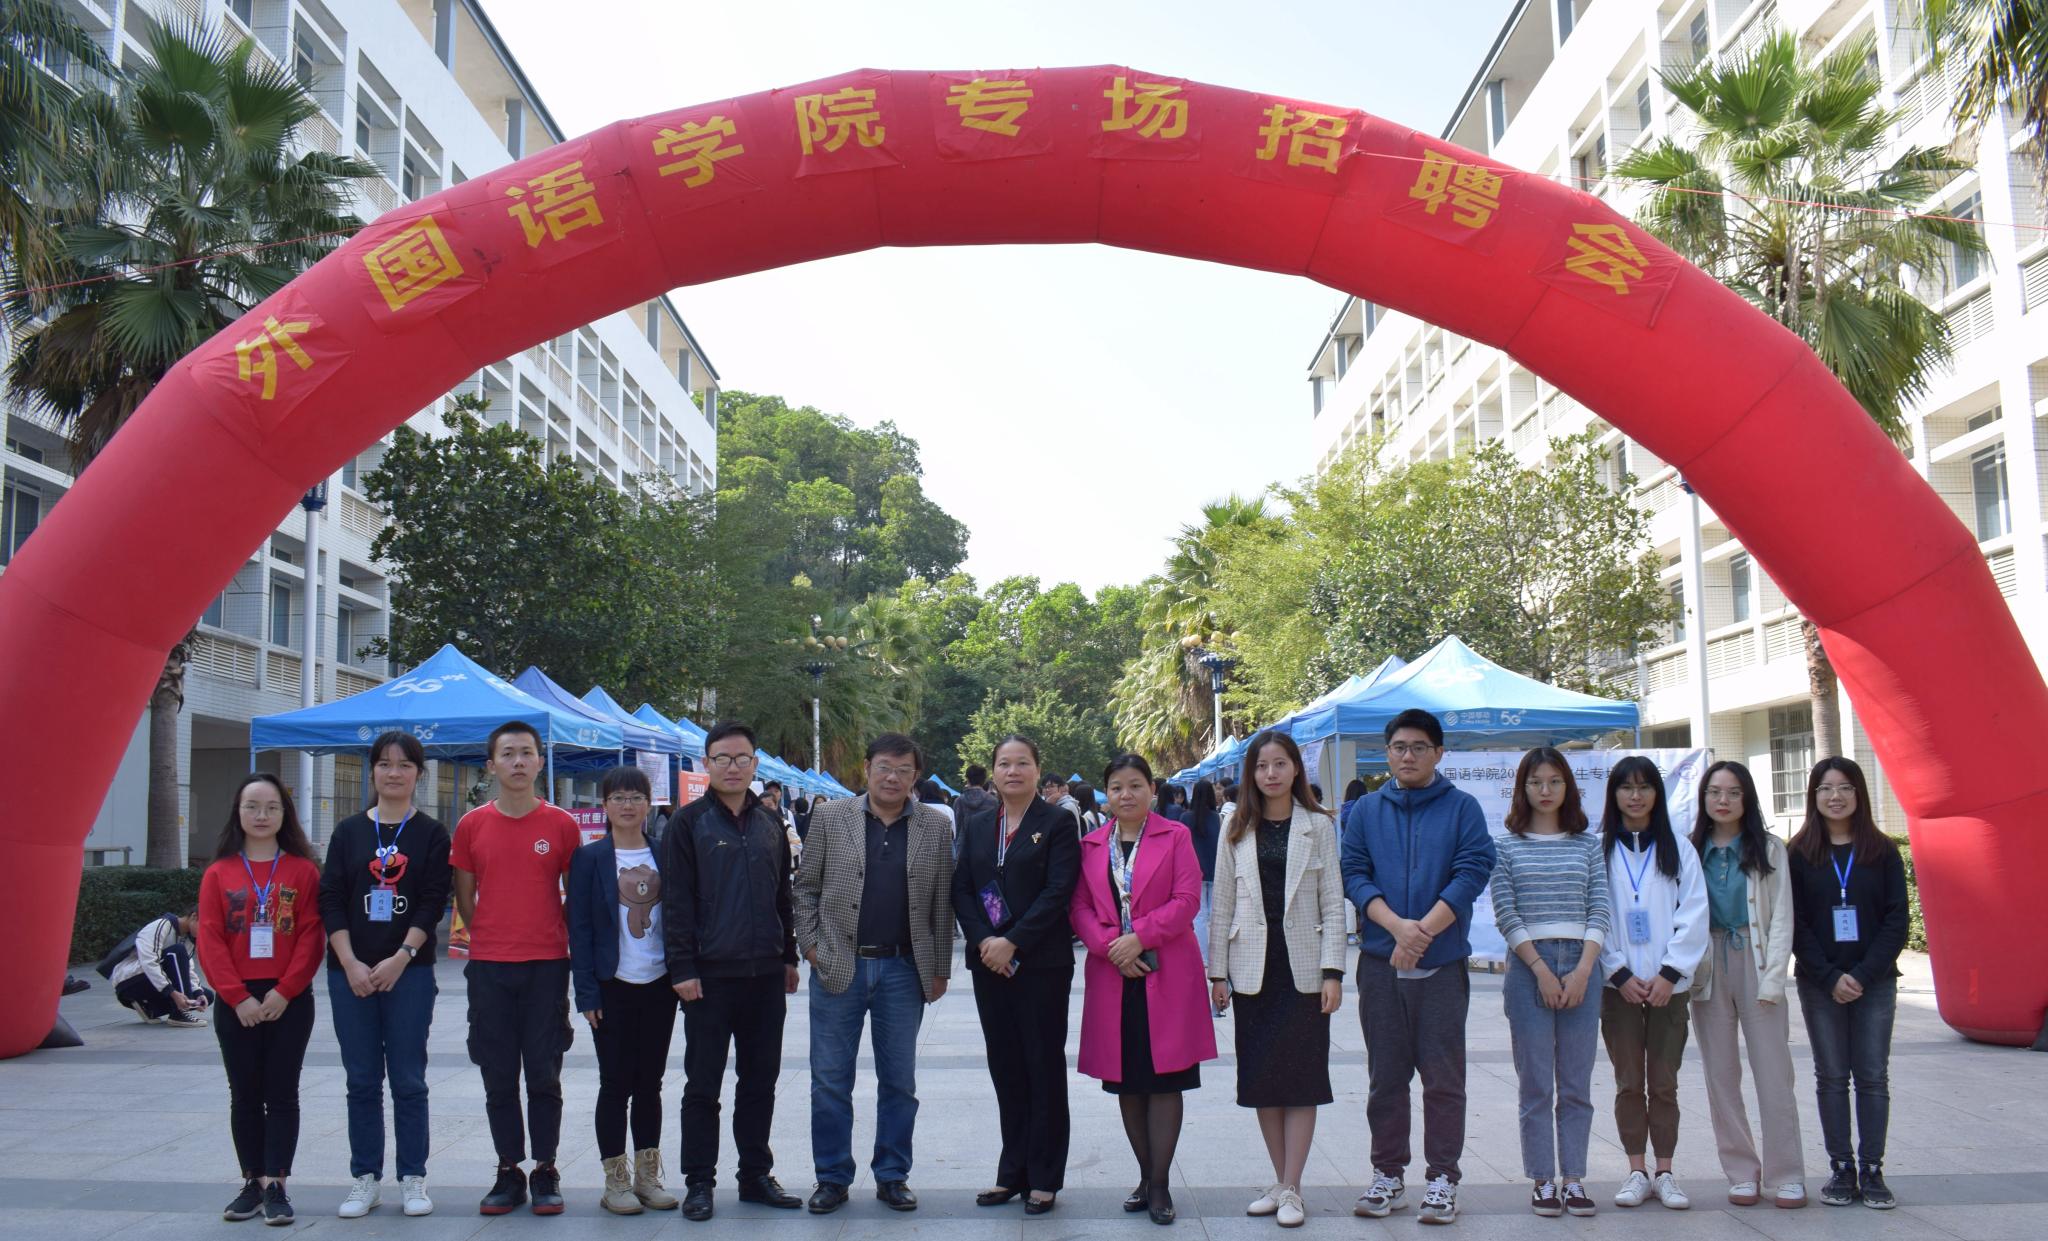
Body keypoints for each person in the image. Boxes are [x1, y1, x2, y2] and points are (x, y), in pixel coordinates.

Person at [1339, 708, 1496, 1225]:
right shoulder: (1366, 811)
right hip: (1381, 963)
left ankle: (1443, 1180)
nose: (1408, 756)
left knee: (1443, 1079)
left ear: (1438, 753)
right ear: (1387, 753)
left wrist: (1422, 932)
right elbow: (1354, 874)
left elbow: (1472, 870)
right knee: (1385, 1077)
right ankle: (1388, 1174)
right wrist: (1397, 928)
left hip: (1442, 965)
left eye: (1419, 747)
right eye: (1399, 747)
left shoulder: (1462, 808)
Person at [794, 734, 956, 1215]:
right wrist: (811, 947)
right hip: (839, 964)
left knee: (899, 1081)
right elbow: (805, 888)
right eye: (885, 767)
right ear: (866, 768)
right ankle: (832, 1177)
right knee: (829, 1080)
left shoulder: (934, 825)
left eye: (904, 770)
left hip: (903, 969)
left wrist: (940, 968)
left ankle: (892, 1174)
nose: (892, 777)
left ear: (915, 777)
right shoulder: (831, 817)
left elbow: (942, 902)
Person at [661, 722, 801, 1221]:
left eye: (742, 758)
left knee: (760, 1081)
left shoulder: (770, 823)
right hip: (709, 977)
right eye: (722, 758)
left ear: (755, 764)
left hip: (765, 974)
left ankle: (755, 1175)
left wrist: (789, 956)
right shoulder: (687, 823)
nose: (733, 767)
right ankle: (699, 1182)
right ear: (707, 764)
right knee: (703, 1085)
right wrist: (682, 966)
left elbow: (782, 895)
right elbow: (675, 901)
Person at [1207, 731, 1345, 1229]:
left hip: (1303, 969)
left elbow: (1333, 903)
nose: (1271, 773)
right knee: (1263, 1080)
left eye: (1280, 764)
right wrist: (1217, 972)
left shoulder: (1319, 825)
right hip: (1252, 970)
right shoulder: (1235, 827)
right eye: (1262, 765)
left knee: (1302, 1080)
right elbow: (1222, 904)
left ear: (1295, 769)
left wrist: (1333, 972)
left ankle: (1292, 1187)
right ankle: (1283, 1183)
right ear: (1252, 773)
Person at [1073, 754, 1216, 1226]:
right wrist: (1110, 947)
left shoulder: (1175, 836)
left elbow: (1187, 899)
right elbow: (1079, 907)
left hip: (1167, 971)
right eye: (1116, 787)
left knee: (1166, 1079)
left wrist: (1141, 936)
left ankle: (1159, 1184)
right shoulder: (1092, 844)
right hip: (1114, 974)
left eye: (1135, 785)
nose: (1126, 794)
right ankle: (1144, 1173)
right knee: (1129, 1081)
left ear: (1152, 790)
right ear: (1106, 795)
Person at [451, 720, 582, 1216]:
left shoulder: (562, 825)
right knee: (498, 1073)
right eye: (508, 754)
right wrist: (491, 933)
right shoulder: (471, 826)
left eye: (527, 752)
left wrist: (551, 931)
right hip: (489, 967)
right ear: (491, 765)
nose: (518, 761)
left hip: (547, 966)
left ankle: (546, 1167)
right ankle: (509, 1169)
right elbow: (465, 898)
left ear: (540, 762)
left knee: (545, 1072)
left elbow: (574, 896)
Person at [319, 730, 451, 1219]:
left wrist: (402, 956)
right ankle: (365, 1179)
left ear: (418, 774)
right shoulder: (349, 831)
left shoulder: (432, 833)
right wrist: (349, 961)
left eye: (404, 765)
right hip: (349, 974)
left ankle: (413, 1176)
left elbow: (433, 900)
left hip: (409, 974)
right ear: (372, 770)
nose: (394, 773)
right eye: (385, 764)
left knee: (409, 1080)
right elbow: (330, 898)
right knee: (361, 1080)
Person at [956, 734, 1081, 1215]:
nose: (1013, 771)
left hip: (1041, 964)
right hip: (990, 964)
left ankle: (1044, 1176)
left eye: (1022, 763)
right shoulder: (978, 824)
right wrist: (985, 941)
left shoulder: (1057, 823)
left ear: (1037, 770)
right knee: (1005, 1067)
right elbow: (963, 887)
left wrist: (1014, 941)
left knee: (1042, 1065)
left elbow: (1058, 890)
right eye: (1004, 763)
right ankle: (1012, 1172)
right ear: (993, 771)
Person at [197, 773, 324, 1226]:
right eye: (252, 806)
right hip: (237, 1001)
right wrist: (236, 997)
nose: (261, 815)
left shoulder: (303, 871)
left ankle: (277, 1184)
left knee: (282, 1093)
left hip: (289, 998)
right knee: (244, 1094)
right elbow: (209, 939)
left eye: (272, 807)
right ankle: (252, 1181)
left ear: (285, 814)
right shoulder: (218, 873)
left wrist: (285, 991)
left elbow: (311, 935)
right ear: (238, 812)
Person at [1490, 748, 1610, 1219]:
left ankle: (1574, 1178)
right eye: (1536, 782)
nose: (1545, 790)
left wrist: (1583, 970)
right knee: (1536, 1084)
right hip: (1528, 970)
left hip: (1583, 965)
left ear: (1568, 787)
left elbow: (1600, 908)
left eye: (1554, 781)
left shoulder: (1588, 845)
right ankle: (1543, 1179)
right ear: (1522, 788)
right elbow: (1506, 912)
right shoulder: (1506, 847)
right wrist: (1540, 969)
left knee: (1576, 1084)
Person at [1788, 758, 1908, 1210]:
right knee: (1832, 1077)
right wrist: (1829, 976)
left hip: (1874, 983)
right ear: (1813, 796)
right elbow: (1795, 923)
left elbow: (1897, 920)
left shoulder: (1882, 851)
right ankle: (1841, 1167)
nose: (1834, 796)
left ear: (1859, 793)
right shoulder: (1799, 853)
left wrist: (1861, 975)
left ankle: (1873, 1169)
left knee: (1873, 1076)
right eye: (1825, 788)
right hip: (1820, 984)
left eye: (1844, 787)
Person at [1689, 761, 1805, 1208]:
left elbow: (1782, 918)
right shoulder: (1690, 850)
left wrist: (1774, 979)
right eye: (1714, 792)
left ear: (1747, 798)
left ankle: (1787, 1174)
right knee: (1720, 1076)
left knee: (1774, 1075)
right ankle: (1740, 1172)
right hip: (1708, 967)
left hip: (1756, 962)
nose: (1723, 800)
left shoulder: (1770, 849)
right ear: (1703, 798)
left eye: (1733, 792)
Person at [568, 766, 681, 1215]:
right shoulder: (590, 858)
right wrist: (587, 994)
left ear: (649, 803)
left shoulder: (666, 853)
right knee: (615, 1083)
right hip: (611, 985)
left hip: (659, 984)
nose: (627, 805)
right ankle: (615, 1181)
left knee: (650, 1083)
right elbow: (578, 928)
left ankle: (647, 1177)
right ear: (605, 805)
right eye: (618, 797)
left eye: (636, 797)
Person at [1599, 755, 1708, 1211]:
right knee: (1628, 1083)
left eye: (1645, 787)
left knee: (1664, 1083)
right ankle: (1636, 1171)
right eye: (1627, 787)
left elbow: (1694, 912)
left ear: (1657, 795)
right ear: (1614, 795)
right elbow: (1595, 915)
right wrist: (1618, 972)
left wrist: (1669, 973)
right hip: (1618, 989)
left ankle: (1665, 1172)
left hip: (1668, 990)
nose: (1636, 795)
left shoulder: (1678, 848)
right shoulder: (1600, 849)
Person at [109, 907, 209, 1027]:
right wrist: (172, 992)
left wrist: (198, 992)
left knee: (206, 996)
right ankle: (179, 1014)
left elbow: (186, 969)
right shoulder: (161, 925)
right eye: (204, 927)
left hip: (152, 982)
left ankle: (151, 1008)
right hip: (130, 981)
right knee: (177, 951)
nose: (205, 932)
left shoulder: (188, 939)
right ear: (194, 916)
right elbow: (149, 963)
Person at [1186, 781, 1222, 957]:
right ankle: (1217, 954)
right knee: (1217, 914)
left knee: (1199, 914)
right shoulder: (1218, 818)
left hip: (1194, 872)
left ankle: (1203, 955)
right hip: (1216, 870)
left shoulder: (1186, 818)